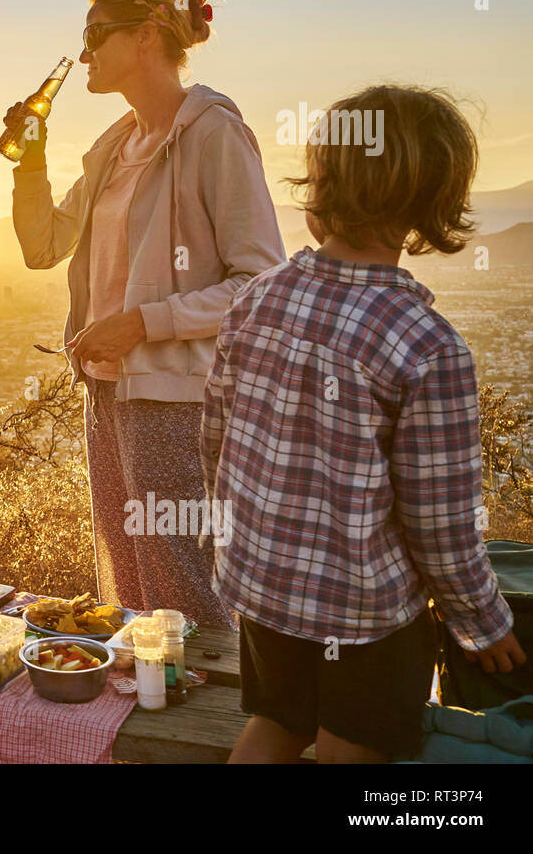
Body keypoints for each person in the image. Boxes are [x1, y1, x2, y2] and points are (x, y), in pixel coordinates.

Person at [204, 85, 526, 763]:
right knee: (354, 750)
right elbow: (440, 524)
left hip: (263, 588)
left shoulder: (258, 300)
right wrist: (481, 622)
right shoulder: (425, 344)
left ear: (322, 185)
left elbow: (218, 442)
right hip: (365, 616)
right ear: (430, 202)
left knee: (276, 725)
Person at [7, 0, 284, 628]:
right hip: (106, 394)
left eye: (97, 35)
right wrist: (30, 163)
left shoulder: (213, 134)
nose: (84, 55)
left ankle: (217, 722)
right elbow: (43, 245)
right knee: (128, 579)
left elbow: (262, 282)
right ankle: (141, 716)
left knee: (181, 584)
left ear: (149, 35)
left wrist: (142, 324)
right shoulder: (113, 148)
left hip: (177, 400)